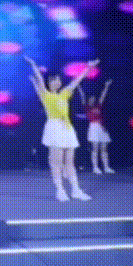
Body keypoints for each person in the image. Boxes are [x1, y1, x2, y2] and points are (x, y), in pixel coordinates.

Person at [26, 56, 99, 202]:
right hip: (54, 128)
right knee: (56, 162)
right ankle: (60, 190)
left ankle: (76, 190)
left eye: (58, 79)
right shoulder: (45, 95)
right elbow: (39, 79)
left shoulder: (65, 93)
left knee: (70, 162)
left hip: (67, 129)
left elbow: (77, 80)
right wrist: (33, 64)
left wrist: (88, 68)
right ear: (49, 83)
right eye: (53, 80)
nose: (57, 82)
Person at [78, 79, 114, 175]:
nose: (93, 100)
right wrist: (78, 86)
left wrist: (106, 86)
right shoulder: (86, 107)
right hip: (93, 127)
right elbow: (82, 96)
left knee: (104, 148)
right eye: (91, 98)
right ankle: (95, 167)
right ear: (88, 99)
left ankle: (106, 167)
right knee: (95, 148)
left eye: (94, 99)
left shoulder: (98, 106)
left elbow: (103, 96)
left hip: (102, 127)